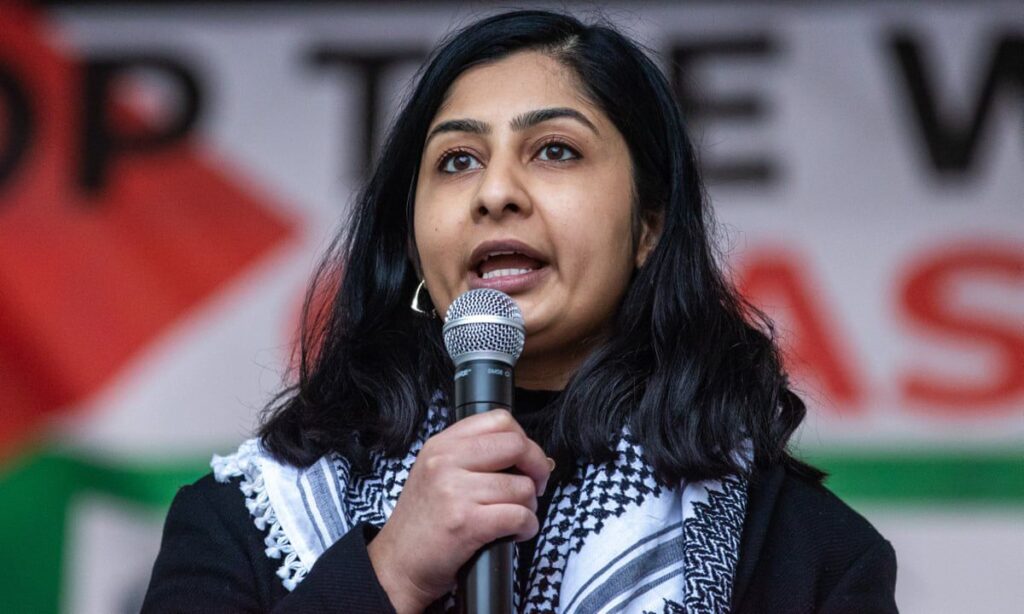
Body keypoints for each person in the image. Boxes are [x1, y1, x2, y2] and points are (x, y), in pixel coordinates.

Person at [142, 9, 897, 614]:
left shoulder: (804, 554)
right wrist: (390, 575)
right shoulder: (244, 520)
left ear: (648, 226)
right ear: (413, 239)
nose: (495, 192)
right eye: (457, 161)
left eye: (555, 150)